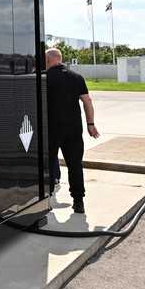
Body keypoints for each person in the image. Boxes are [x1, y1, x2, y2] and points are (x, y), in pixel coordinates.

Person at [45, 48, 100, 214]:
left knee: (47, 164)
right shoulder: (77, 77)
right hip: (74, 129)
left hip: (50, 129)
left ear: (48, 60)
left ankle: (45, 200)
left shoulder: (43, 78)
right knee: (75, 165)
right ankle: (78, 202)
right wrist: (91, 124)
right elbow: (87, 101)